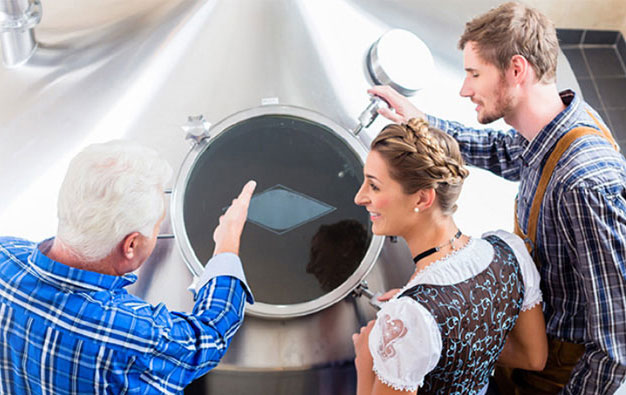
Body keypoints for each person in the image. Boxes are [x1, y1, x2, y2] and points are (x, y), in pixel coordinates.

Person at [369, 2, 626, 393]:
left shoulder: (584, 183)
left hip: (557, 369)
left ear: (517, 70)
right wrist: (422, 124)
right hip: (534, 335)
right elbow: (504, 151)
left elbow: (617, 341)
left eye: (474, 73)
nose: (464, 87)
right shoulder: (555, 126)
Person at [0, 140, 256, 394]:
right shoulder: (134, 332)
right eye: (158, 226)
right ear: (131, 244)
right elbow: (209, 336)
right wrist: (227, 243)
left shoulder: (3, 256)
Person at [351, 119, 547, 395]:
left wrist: (366, 360)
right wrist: (436, 340)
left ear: (422, 199)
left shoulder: (410, 315)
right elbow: (533, 357)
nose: (360, 197)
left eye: (374, 186)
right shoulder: (510, 252)